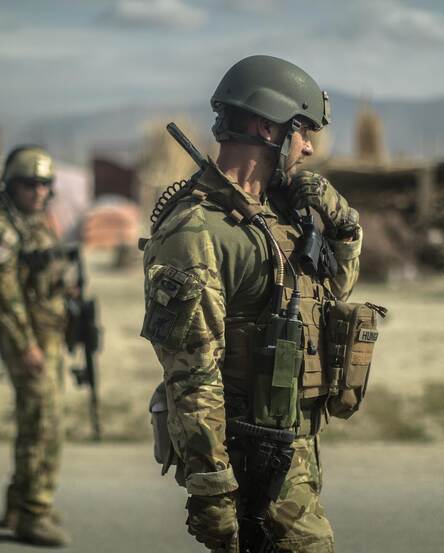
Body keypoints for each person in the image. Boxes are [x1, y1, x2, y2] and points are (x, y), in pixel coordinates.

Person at [141, 55, 363, 553]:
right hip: (250, 457)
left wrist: (343, 225)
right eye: (303, 130)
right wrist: (212, 488)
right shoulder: (198, 231)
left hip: (296, 451)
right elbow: (192, 375)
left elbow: (333, 295)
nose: (309, 146)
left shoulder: (283, 216)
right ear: (268, 125)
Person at [0, 146, 70, 546]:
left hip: (49, 338)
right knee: (44, 426)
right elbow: (4, 298)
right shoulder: (2, 231)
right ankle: (35, 511)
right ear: (12, 186)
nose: (38, 191)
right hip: (28, 344)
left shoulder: (38, 225)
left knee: (37, 422)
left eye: (44, 184)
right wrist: (25, 346)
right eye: (29, 183)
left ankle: (20, 502)